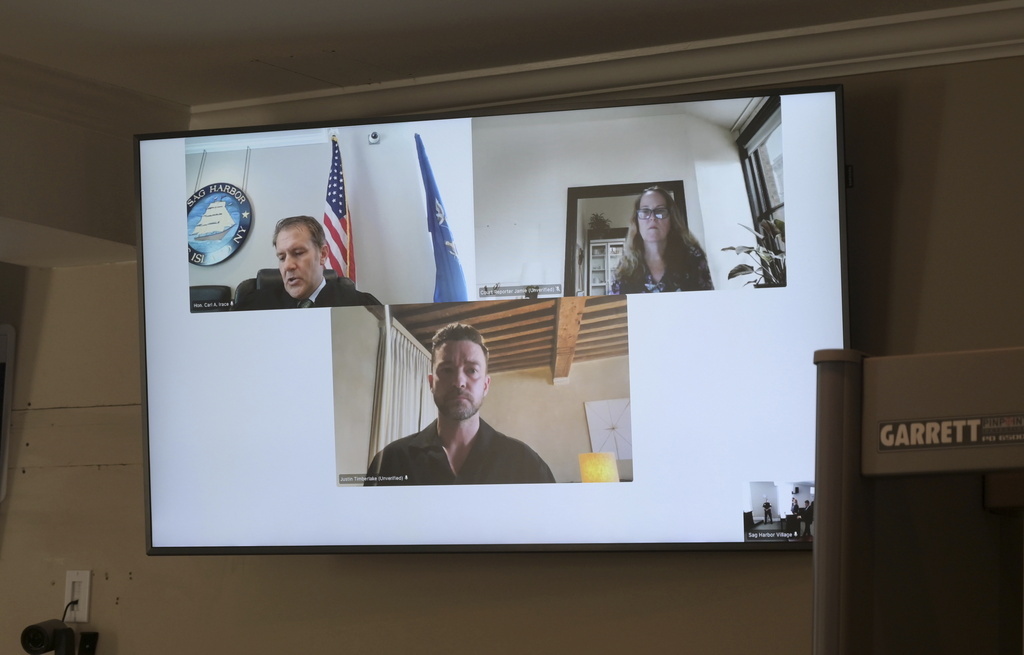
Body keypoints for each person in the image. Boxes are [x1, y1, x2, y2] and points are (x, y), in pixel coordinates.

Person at [365, 323, 555, 486]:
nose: (459, 382)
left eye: (471, 370)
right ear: (431, 382)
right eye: (447, 370)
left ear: (486, 385)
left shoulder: (525, 462)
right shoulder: (391, 461)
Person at [233, 215, 378, 310]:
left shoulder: (362, 306)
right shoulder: (252, 306)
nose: (288, 266)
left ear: (323, 254)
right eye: (282, 257)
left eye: (298, 253)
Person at [610, 186, 714, 294]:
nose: (652, 218)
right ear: (637, 221)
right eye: (645, 211)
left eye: (660, 211)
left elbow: (708, 303)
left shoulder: (693, 258)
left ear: (671, 219)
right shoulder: (626, 267)